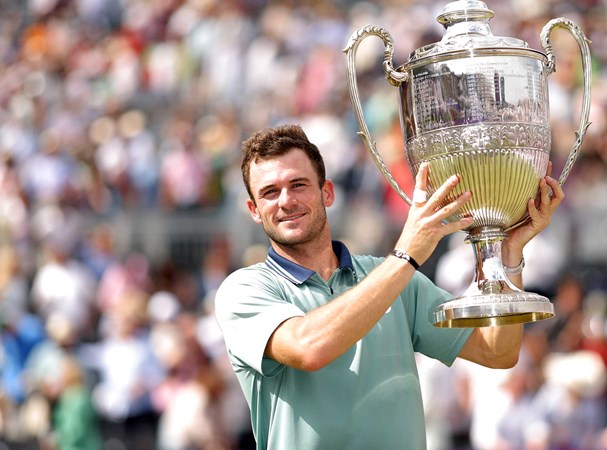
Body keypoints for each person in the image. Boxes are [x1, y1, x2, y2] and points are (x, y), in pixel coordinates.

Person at [214, 124, 564, 450]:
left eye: (298, 185)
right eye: (269, 192)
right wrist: (406, 255)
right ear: (254, 210)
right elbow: (310, 348)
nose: (286, 200)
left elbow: (497, 352)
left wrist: (507, 256)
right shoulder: (244, 289)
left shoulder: (391, 275)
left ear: (328, 192)